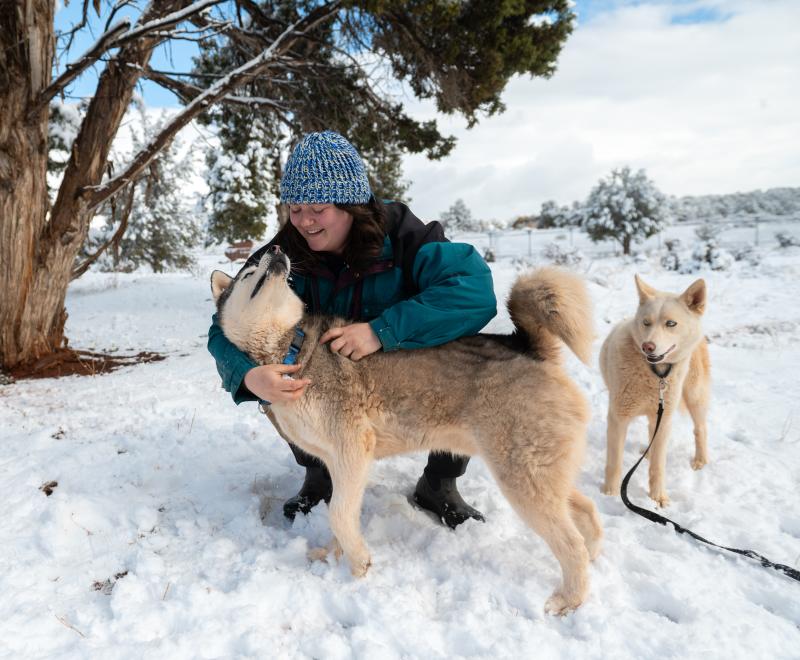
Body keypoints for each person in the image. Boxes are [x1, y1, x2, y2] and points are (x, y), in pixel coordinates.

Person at [207, 130, 497, 528]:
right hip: (329, 378)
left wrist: (382, 330)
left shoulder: (407, 237)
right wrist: (248, 376)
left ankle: (440, 483)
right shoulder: (284, 253)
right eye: (294, 207)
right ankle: (319, 476)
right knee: (277, 371)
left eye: (318, 208)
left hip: (406, 364)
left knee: (461, 349)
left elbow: (474, 291)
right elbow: (225, 323)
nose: (304, 221)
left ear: (351, 204)